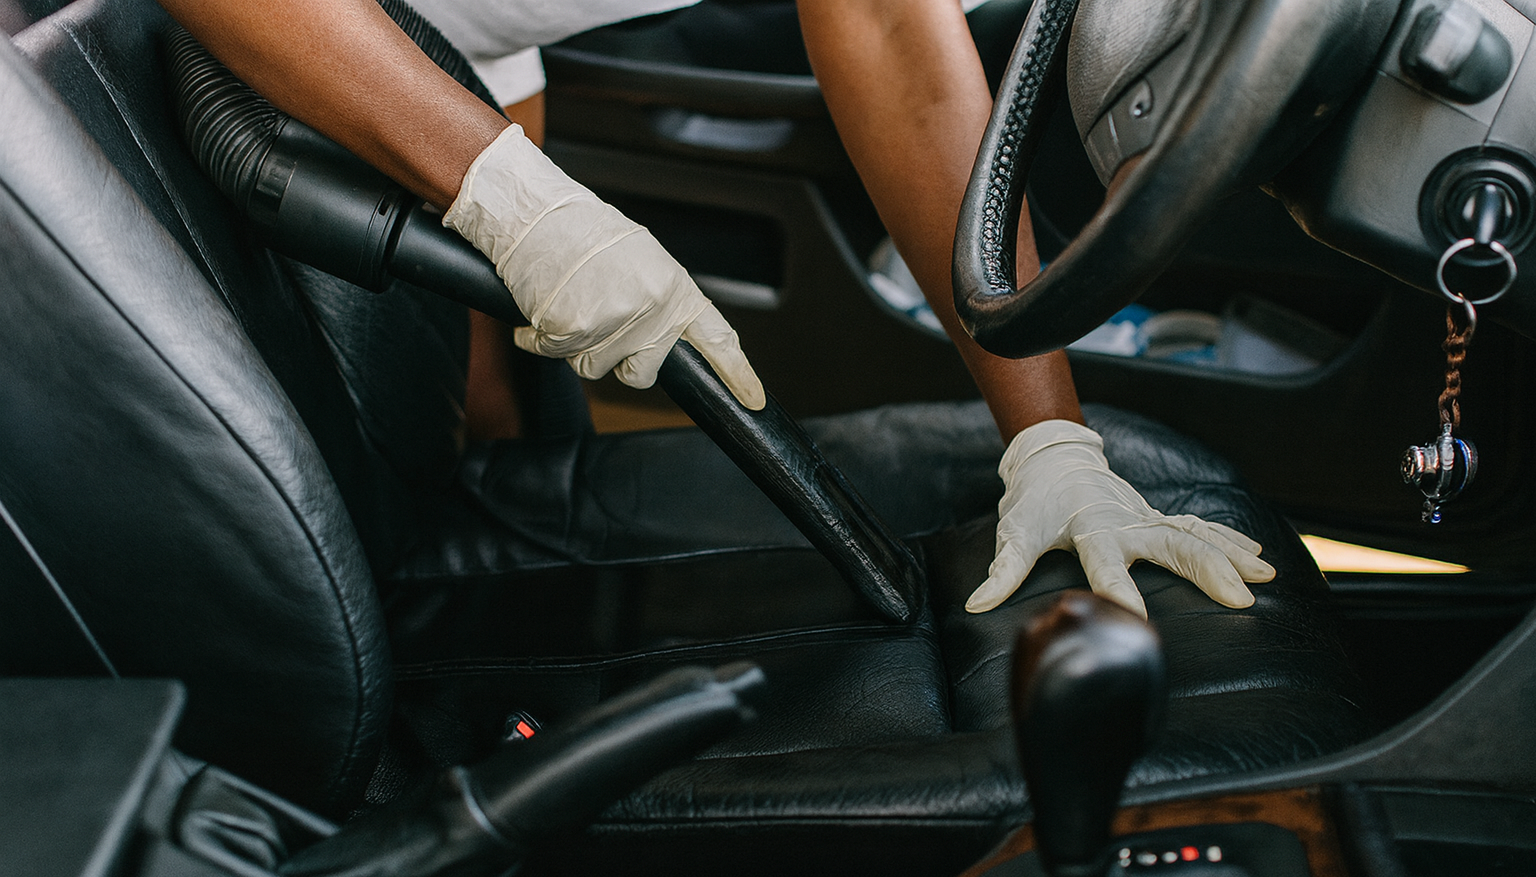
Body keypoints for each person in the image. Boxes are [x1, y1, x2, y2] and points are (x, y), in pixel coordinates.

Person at [155, 0, 1273, 619]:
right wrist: (515, 201)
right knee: (416, 454)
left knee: (492, 439)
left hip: (468, 34)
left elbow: (894, 33)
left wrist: (1051, 440)